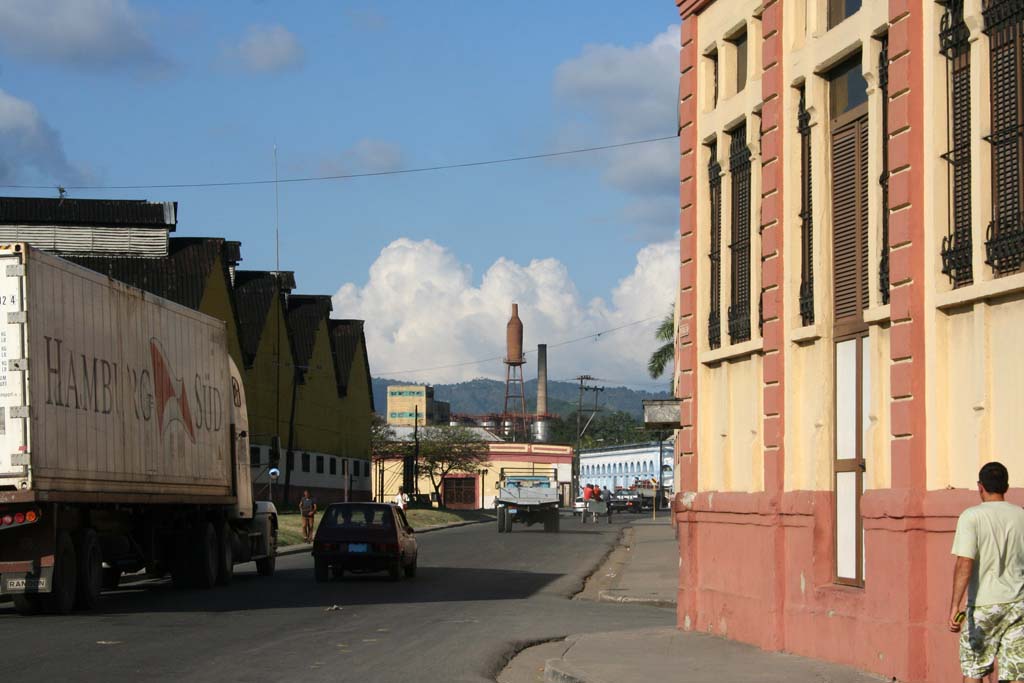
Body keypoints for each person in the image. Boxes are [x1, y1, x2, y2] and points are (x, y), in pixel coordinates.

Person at [948, 462, 1024, 683]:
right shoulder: (1021, 515)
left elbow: (964, 562)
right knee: (1016, 670)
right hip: (1018, 603)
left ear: (980, 486)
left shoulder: (971, 517)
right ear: (1006, 487)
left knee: (974, 668)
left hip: (984, 605)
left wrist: (955, 605)